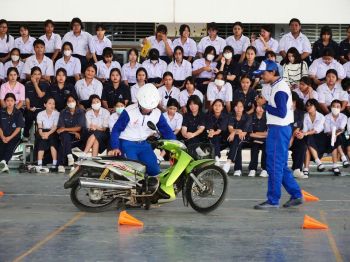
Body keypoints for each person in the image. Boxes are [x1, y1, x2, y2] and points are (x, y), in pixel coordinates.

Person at [254, 60, 302, 209]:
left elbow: (281, 113)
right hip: (279, 129)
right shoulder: (276, 85)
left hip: (279, 129)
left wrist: (264, 105)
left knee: (274, 165)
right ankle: (296, 194)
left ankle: (273, 200)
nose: (262, 76)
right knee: (278, 164)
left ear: (273, 72)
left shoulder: (280, 89)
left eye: (264, 73)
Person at [109, 83, 175, 178]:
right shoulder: (129, 111)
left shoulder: (157, 113)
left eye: (150, 108)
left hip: (144, 145)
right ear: (139, 102)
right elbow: (116, 129)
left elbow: (166, 130)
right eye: (145, 107)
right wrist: (115, 147)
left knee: (155, 171)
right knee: (134, 173)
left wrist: (175, 144)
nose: (147, 110)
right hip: (127, 144)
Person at [56, 94, 86, 173]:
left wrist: (66, 129)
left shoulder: (81, 112)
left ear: (76, 102)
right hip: (66, 135)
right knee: (65, 137)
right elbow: (61, 128)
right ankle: (69, 156)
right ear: (66, 103)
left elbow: (79, 128)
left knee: (63, 141)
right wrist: (73, 131)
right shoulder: (63, 112)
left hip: (77, 136)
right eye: (69, 101)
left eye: (73, 101)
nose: (71, 102)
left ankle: (60, 165)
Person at [222, 100, 251, 176]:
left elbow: (244, 132)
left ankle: (229, 162)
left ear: (243, 108)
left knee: (237, 140)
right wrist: (236, 131)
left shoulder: (248, 117)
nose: (238, 108)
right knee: (237, 142)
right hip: (233, 139)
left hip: (245, 139)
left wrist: (234, 132)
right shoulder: (231, 116)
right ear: (234, 108)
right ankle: (238, 169)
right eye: (237, 106)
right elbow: (230, 129)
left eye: (241, 106)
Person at [301, 99, 326, 176]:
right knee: (306, 143)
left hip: (319, 138)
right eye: (307, 105)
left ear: (315, 106)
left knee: (307, 139)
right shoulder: (305, 116)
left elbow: (316, 130)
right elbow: (305, 129)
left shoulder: (321, 116)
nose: (308, 107)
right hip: (309, 137)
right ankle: (317, 162)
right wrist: (302, 133)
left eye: (311, 105)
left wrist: (305, 133)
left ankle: (306, 168)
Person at [0, 93, 24, 172]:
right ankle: (3, 164)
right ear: (5, 102)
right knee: (1, 149)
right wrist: (3, 137)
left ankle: (3, 162)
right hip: (2, 136)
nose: (9, 102)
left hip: (14, 137)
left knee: (10, 147)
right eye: (7, 101)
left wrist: (9, 137)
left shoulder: (18, 113)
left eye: (11, 101)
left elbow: (18, 128)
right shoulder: (1, 112)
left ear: (15, 102)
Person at [324, 99, 349, 176]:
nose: (335, 108)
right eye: (334, 106)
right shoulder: (326, 117)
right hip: (328, 136)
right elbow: (327, 130)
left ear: (341, 108)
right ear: (330, 107)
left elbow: (341, 129)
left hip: (340, 136)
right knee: (334, 139)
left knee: (336, 139)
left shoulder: (344, 116)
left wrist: (335, 135)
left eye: (338, 106)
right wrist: (333, 135)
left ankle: (335, 166)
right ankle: (343, 157)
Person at [24, 66, 49, 141]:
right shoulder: (27, 85)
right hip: (31, 108)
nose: (37, 76)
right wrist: (29, 108)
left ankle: (40, 136)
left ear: (41, 75)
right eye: (35, 74)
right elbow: (27, 98)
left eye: (39, 74)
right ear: (31, 75)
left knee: (41, 119)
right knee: (28, 116)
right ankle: (26, 134)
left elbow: (40, 95)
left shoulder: (45, 84)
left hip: (42, 108)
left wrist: (35, 83)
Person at [36, 97, 60, 172]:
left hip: (53, 131)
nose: (52, 105)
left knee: (53, 143)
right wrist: (42, 134)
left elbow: (55, 127)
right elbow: (39, 127)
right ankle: (39, 164)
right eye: (49, 103)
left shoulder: (57, 114)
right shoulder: (40, 114)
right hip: (42, 131)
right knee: (41, 142)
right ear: (45, 105)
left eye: (53, 104)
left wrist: (48, 134)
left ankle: (54, 164)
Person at [289, 92, 308, 179]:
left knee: (301, 145)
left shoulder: (300, 113)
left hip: (294, 136)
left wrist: (291, 140)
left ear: (294, 102)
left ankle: (297, 169)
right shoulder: (283, 112)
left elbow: (297, 127)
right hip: (283, 136)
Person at [205, 99, 229, 165]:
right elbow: (210, 128)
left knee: (216, 137)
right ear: (212, 106)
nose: (217, 107)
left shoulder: (225, 116)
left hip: (223, 139)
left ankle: (215, 157)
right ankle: (216, 157)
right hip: (213, 138)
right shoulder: (209, 115)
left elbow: (220, 130)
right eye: (215, 105)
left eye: (219, 105)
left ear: (222, 107)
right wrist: (211, 132)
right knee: (215, 138)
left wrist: (212, 133)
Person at [247, 102, 268, 177]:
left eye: (262, 107)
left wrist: (256, 133)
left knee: (266, 145)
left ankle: (265, 169)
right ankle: (253, 169)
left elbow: (268, 133)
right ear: (255, 108)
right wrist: (262, 134)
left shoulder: (267, 117)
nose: (260, 109)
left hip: (264, 139)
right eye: (258, 107)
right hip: (253, 139)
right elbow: (250, 133)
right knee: (255, 145)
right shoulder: (250, 117)